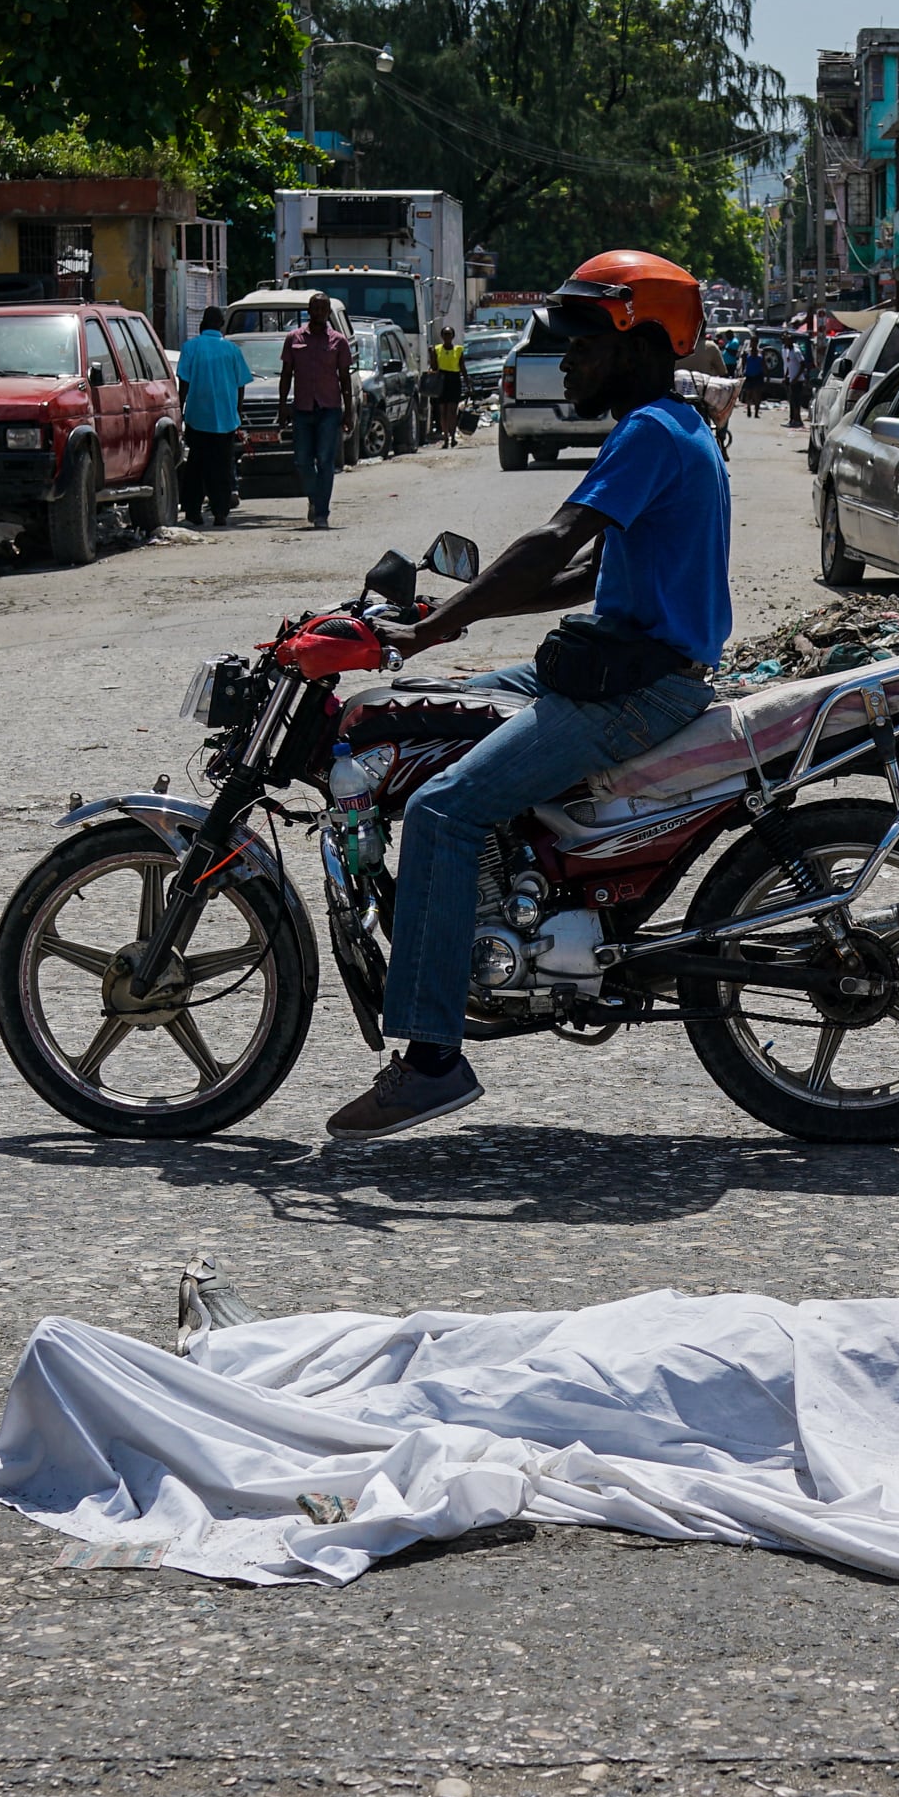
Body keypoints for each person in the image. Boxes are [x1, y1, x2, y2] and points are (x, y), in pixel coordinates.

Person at [325, 250, 731, 1141]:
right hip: (620, 665)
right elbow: (588, 571)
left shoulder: (651, 432)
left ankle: (431, 1057)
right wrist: (450, 618)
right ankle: (491, 909)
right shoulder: (675, 425)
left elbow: (555, 542)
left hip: (639, 688)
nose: (565, 362)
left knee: (440, 808)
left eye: (581, 344)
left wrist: (437, 623)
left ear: (638, 340)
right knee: (443, 713)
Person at [281, 294, 354, 529]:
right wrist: (282, 404)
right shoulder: (294, 338)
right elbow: (286, 374)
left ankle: (321, 512)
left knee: (325, 460)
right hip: (302, 408)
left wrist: (348, 410)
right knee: (302, 461)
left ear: (328, 312)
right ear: (309, 310)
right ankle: (315, 497)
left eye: (324, 308)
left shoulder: (338, 341)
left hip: (329, 408)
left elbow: (345, 378)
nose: (320, 312)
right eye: (316, 308)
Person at [173, 305, 249, 528]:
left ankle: (193, 511)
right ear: (221, 325)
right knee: (222, 467)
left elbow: (184, 382)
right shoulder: (232, 350)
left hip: (198, 417)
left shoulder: (191, 347)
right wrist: (237, 410)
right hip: (226, 418)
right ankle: (220, 512)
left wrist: (180, 409)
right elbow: (241, 384)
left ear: (202, 324)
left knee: (196, 464)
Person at [428, 324, 467, 444]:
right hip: (442, 380)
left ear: (453, 336)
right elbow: (434, 367)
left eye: (449, 335)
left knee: (452, 411)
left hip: (454, 380)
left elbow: (462, 367)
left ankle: (453, 436)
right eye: (445, 335)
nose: (447, 337)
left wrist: (467, 381)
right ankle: (445, 437)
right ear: (442, 336)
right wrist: (432, 355)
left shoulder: (458, 350)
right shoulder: (437, 349)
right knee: (442, 411)